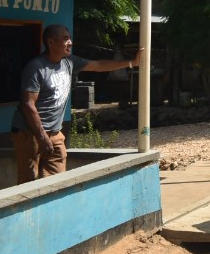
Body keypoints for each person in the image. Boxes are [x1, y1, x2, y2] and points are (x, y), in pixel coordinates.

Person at [11, 23, 143, 184]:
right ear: (51, 42)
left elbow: (99, 66)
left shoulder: (69, 62)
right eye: (65, 39)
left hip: (54, 132)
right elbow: (27, 104)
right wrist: (42, 136)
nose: (70, 42)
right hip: (29, 132)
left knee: (56, 182)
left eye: (70, 38)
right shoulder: (36, 68)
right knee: (28, 183)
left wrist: (132, 63)